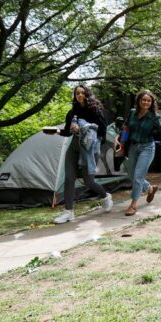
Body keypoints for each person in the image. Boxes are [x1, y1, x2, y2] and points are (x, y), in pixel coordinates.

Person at [47, 85, 113, 224]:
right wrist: (55, 131)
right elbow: (67, 132)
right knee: (69, 178)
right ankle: (68, 212)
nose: (80, 95)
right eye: (77, 93)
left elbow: (103, 131)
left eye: (83, 93)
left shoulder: (95, 110)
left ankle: (105, 196)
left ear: (87, 94)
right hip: (74, 146)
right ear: (75, 95)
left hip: (89, 149)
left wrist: (84, 127)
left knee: (89, 181)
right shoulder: (72, 113)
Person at [114, 90, 161, 216]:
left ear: (151, 102)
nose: (146, 102)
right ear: (139, 101)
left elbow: (160, 133)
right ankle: (150, 188)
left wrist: (160, 124)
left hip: (147, 148)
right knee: (131, 174)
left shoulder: (154, 117)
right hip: (132, 147)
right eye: (144, 100)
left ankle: (133, 205)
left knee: (138, 176)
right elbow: (126, 127)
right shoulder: (132, 113)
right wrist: (119, 139)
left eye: (148, 100)